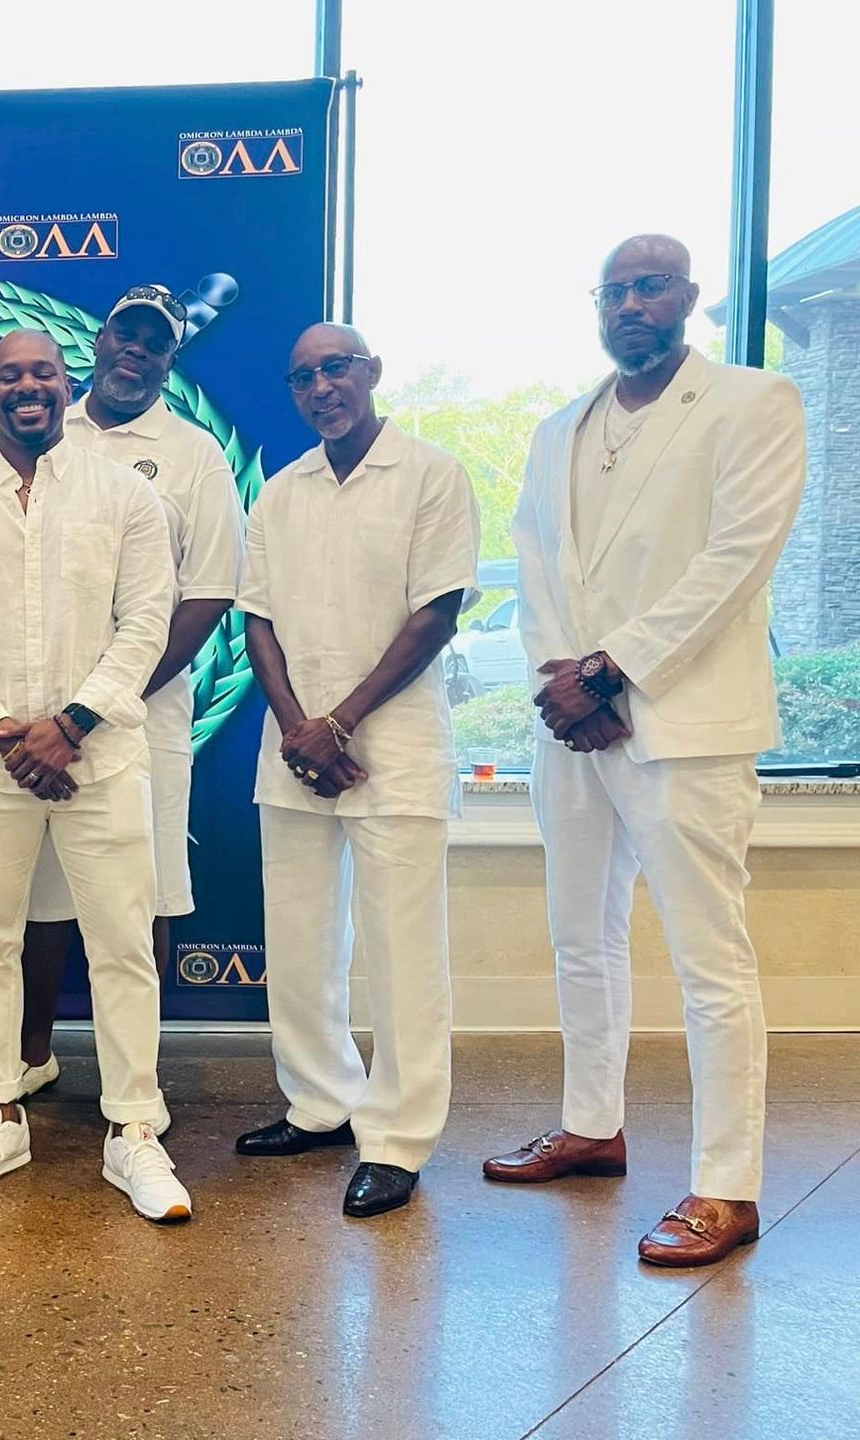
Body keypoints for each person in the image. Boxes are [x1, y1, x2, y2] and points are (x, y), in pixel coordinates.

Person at [484, 235, 807, 1266]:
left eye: (649, 286)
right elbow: (537, 562)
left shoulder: (754, 404)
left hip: (686, 725)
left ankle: (728, 1186)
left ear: (689, 297)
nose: (630, 303)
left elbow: (737, 556)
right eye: (614, 290)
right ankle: (592, 1126)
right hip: (575, 727)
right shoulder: (558, 428)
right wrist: (562, 682)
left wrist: (615, 669)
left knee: (710, 961)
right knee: (581, 934)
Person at [0, 329, 191, 1223]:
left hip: (100, 761)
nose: (26, 387)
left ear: (65, 387)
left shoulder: (122, 496)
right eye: (8, 376)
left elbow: (148, 622)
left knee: (121, 943)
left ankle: (135, 1131)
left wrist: (68, 727)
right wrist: (4, 730)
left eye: (42, 373)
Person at [232, 323, 479, 1220]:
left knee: (403, 951)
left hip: (395, 750)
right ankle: (320, 1103)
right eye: (303, 377)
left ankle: (399, 1138)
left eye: (337, 369)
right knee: (299, 944)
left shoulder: (431, 476)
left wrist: (341, 721)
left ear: (371, 372)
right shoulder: (282, 491)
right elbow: (255, 618)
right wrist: (301, 728)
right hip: (293, 753)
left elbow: (437, 612)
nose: (322, 387)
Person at [17, 284, 246, 1111]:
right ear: (101, 338)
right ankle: (31, 1055)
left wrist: (105, 702)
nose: (135, 352)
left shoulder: (194, 454)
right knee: (40, 887)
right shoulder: (44, 429)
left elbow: (211, 592)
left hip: (143, 713)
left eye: (155, 342)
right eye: (126, 334)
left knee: (143, 889)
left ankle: (133, 1075)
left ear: (170, 358)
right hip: (38, 710)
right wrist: (60, 713)